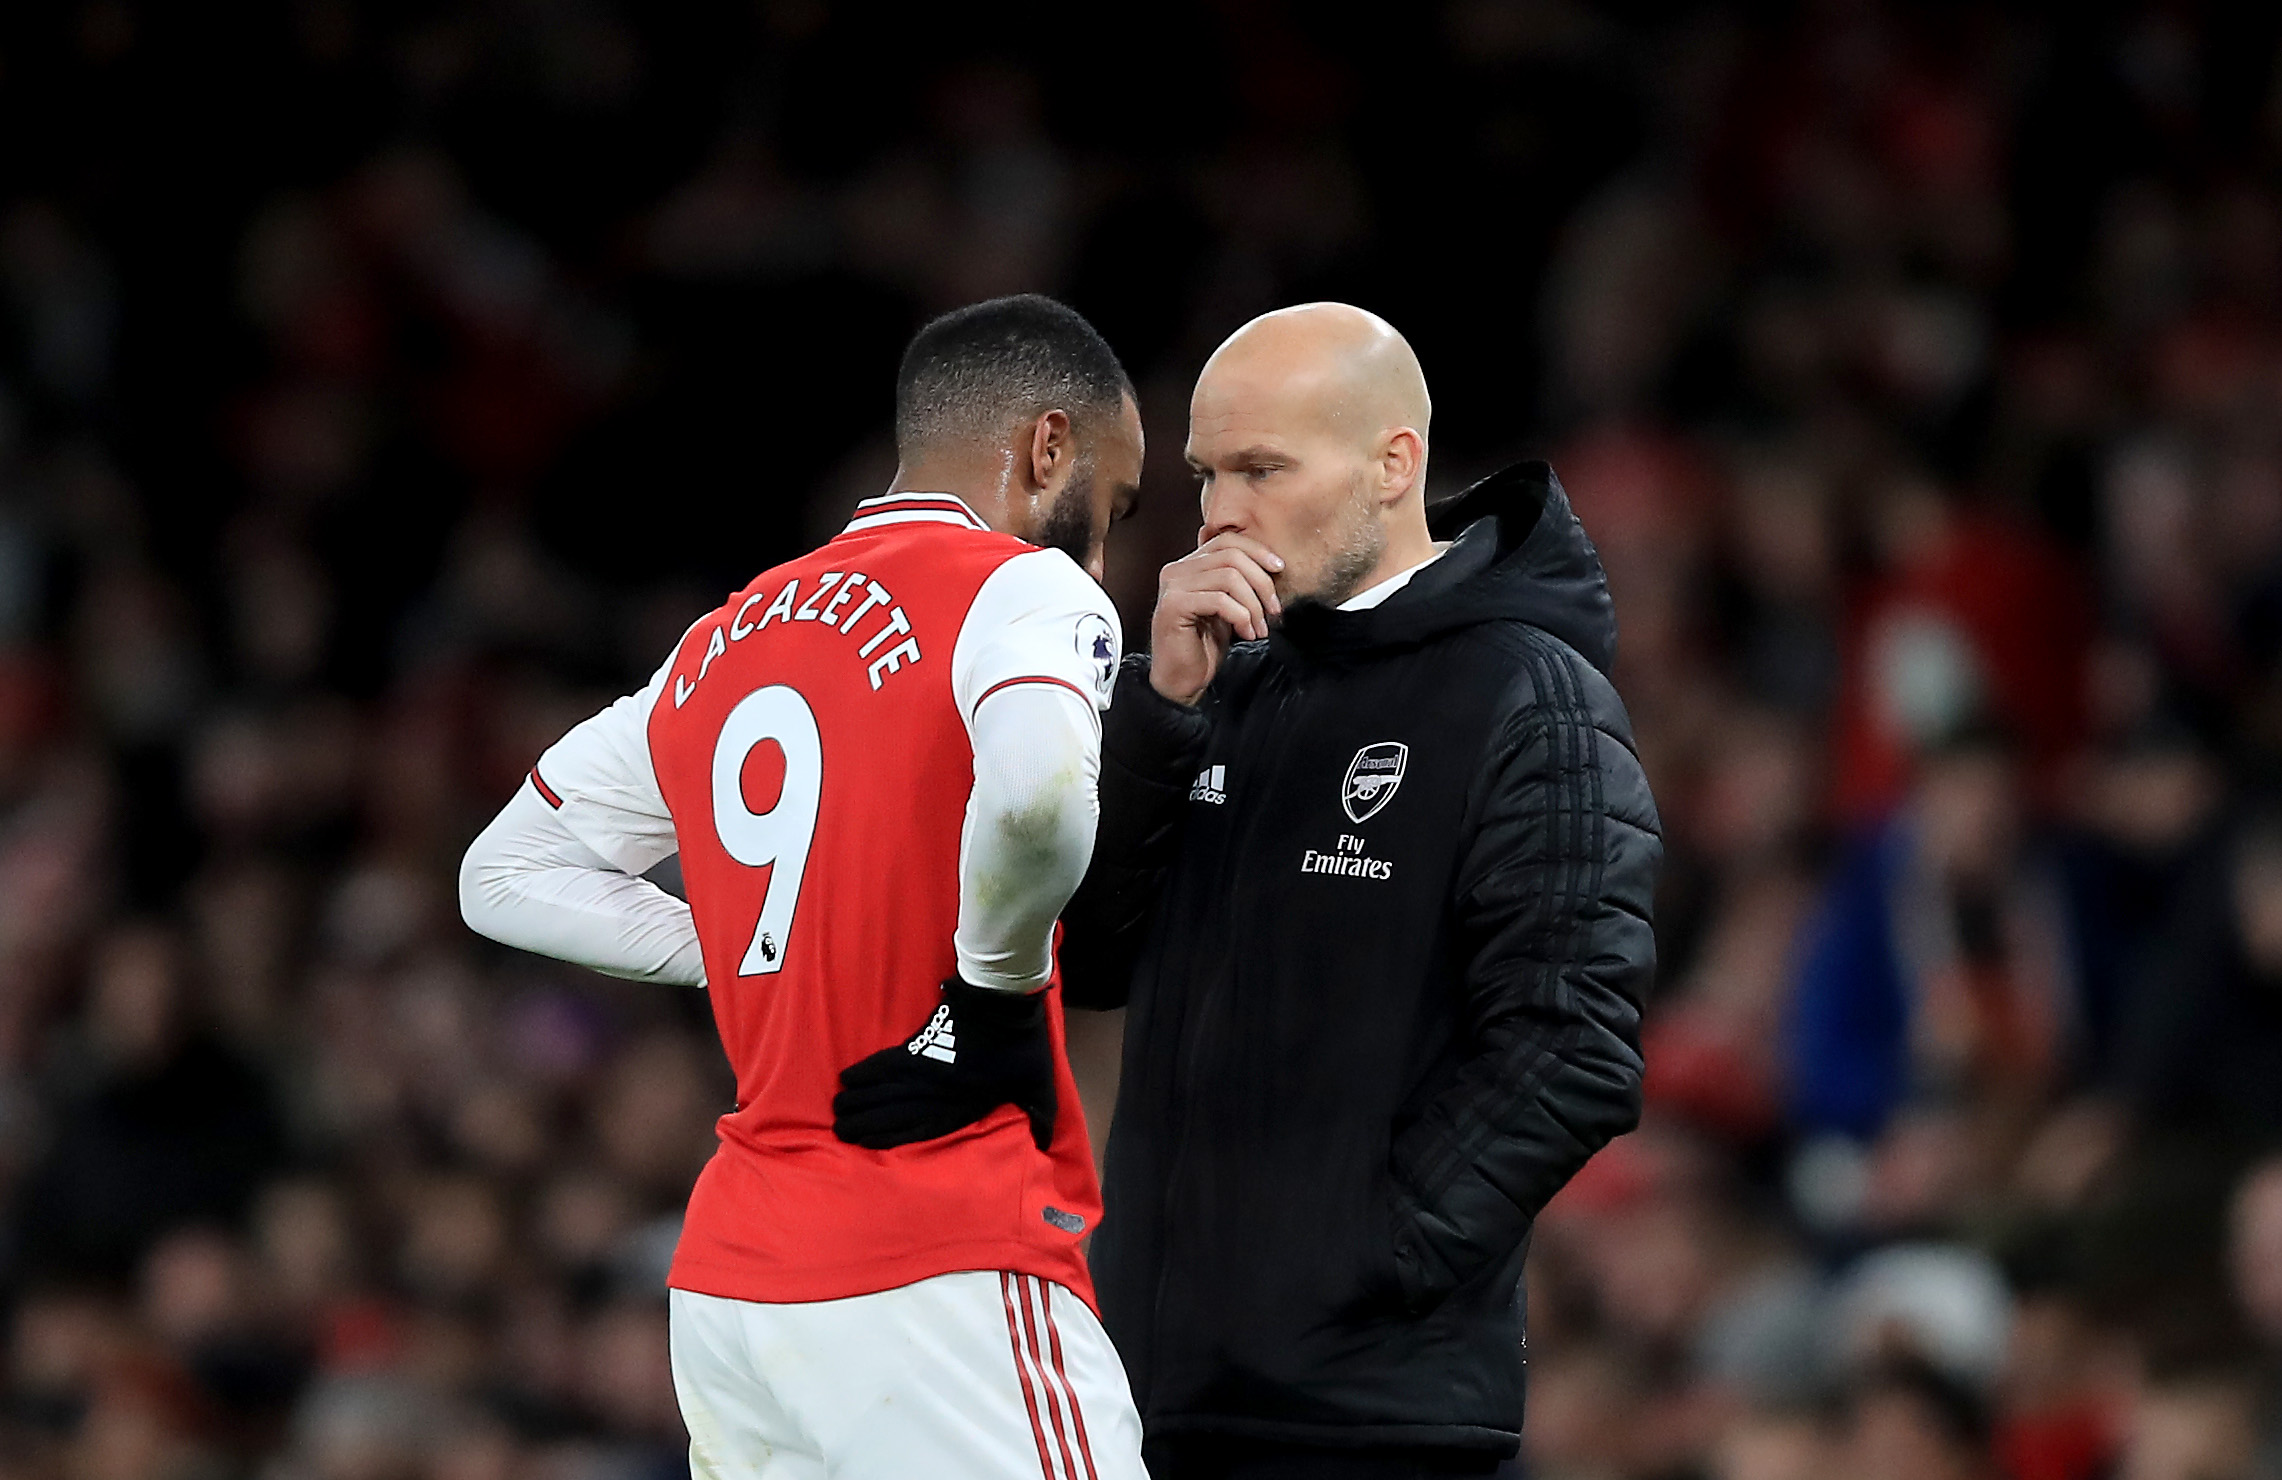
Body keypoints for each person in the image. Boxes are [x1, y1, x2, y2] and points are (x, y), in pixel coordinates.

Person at [459, 294, 1149, 1480]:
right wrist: (989, 993)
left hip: (735, 1287)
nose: (1105, 548)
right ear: (1046, 448)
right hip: (935, 1261)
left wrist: (743, 941)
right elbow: (1037, 797)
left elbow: (501, 871)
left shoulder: (719, 641)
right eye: (1114, 502)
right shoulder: (1021, 590)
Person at [1061, 303, 1663, 1478]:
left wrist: (1360, 1257)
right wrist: (1159, 718)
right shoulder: (1220, 682)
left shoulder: (1526, 696)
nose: (1220, 512)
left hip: (1372, 1422)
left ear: (1394, 465)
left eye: (1261, 469)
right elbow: (1087, 955)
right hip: (1152, 1396)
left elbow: (1573, 1044)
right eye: (1204, 475)